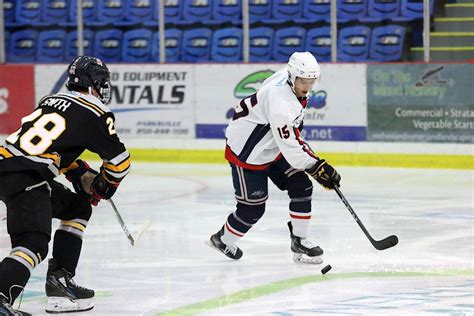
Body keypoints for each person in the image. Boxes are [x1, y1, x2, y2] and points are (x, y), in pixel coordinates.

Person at [0, 56, 131, 315]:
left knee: (77, 208)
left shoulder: (49, 100)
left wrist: (77, 173)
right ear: (93, 83)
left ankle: (59, 283)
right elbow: (120, 162)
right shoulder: (96, 111)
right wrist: (105, 184)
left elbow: (49, 148)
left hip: (10, 165)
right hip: (27, 177)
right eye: (102, 82)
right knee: (33, 241)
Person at [207, 52, 341, 264]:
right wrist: (317, 167)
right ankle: (222, 240)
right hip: (247, 154)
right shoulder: (281, 105)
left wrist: (315, 166)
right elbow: (293, 148)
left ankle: (299, 240)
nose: (306, 86)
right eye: (302, 81)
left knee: (301, 186)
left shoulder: (285, 79)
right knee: (253, 209)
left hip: (272, 145)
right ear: (292, 77)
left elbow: (290, 139)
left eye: (311, 81)